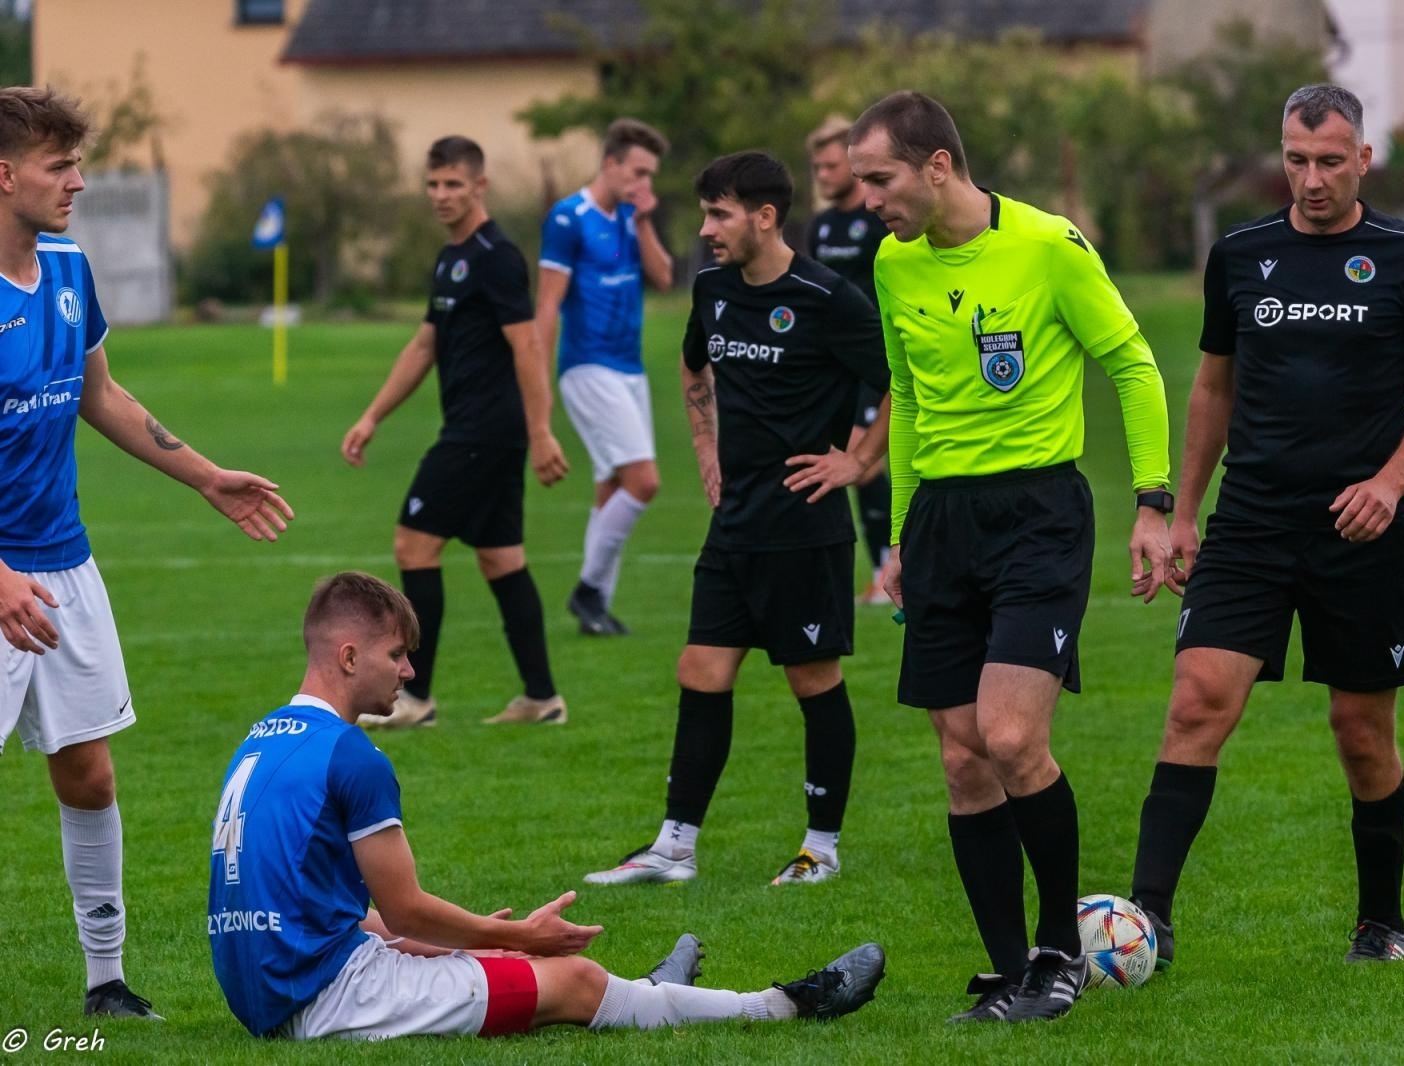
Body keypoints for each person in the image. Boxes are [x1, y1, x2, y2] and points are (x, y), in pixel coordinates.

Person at [207, 571, 885, 1040]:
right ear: (349, 656)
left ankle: (644, 993)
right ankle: (780, 1007)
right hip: (328, 998)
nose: (410, 672)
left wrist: (462, 944)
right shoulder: (352, 755)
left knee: (488, 962)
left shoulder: (261, 739)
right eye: (398, 656)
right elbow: (407, 907)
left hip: (269, 988)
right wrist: (515, 936)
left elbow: (341, 909)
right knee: (573, 984)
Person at [847, 91, 1173, 1023]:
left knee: (1012, 737)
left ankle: (1060, 954)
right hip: (942, 522)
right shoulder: (893, 263)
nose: (867, 198)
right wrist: (903, 532)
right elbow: (908, 399)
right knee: (960, 760)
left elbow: (1134, 364)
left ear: (937, 166)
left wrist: (1152, 503)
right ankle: (1007, 975)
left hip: (1039, 512)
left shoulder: (1048, 246)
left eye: (881, 179)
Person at [1128, 84, 1404, 968]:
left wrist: (1389, 486)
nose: (1310, 179)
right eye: (1295, 159)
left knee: (1360, 732)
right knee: (1196, 703)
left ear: (1363, 159)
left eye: (1328, 161)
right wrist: (1184, 511)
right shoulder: (1240, 254)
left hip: (1364, 534)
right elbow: (1212, 388)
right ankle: (1146, 920)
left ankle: (1379, 920)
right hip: (1253, 524)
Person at [0, 86, 293, 1020]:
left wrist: (206, 475)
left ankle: (106, 983)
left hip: (64, 565)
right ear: (3, 176)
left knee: (88, 772)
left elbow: (102, 394)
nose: (78, 182)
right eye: (60, 167)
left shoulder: (68, 267)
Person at [584, 151, 890, 889]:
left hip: (806, 525)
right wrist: (704, 445)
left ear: (764, 216)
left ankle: (822, 847)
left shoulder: (828, 297)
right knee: (702, 668)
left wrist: (859, 462)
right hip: (737, 523)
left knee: (812, 679)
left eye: (720, 214)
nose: (708, 229)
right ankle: (674, 847)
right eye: (706, 213)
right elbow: (696, 367)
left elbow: (901, 381)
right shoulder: (714, 290)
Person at [342, 136, 568, 729]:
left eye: (452, 184)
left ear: (479, 186)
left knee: (414, 545)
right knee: (501, 559)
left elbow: (529, 345)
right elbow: (425, 345)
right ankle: (543, 697)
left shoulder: (497, 256)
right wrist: (372, 416)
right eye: (433, 184)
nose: (440, 195)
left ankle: (415, 699)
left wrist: (541, 432)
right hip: (479, 431)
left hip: (483, 433)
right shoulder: (451, 259)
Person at [538, 119, 674, 637]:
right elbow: (547, 306)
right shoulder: (569, 218)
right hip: (588, 366)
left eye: (651, 175)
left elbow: (662, 277)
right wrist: (543, 387)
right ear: (611, 164)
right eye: (638, 172)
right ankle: (588, 591)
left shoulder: (626, 219)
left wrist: (642, 220)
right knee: (644, 481)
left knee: (612, 487)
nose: (644, 183)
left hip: (630, 368)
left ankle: (597, 609)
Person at [804, 117, 893, 604]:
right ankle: (872, 567)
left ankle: (884, 570)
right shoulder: (820, 227)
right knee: (845, 463)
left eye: (831, 165)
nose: (822, 174)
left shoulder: (881, 221)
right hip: (831, 366)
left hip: (874, 359)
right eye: (816, 166)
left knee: (866, 465)